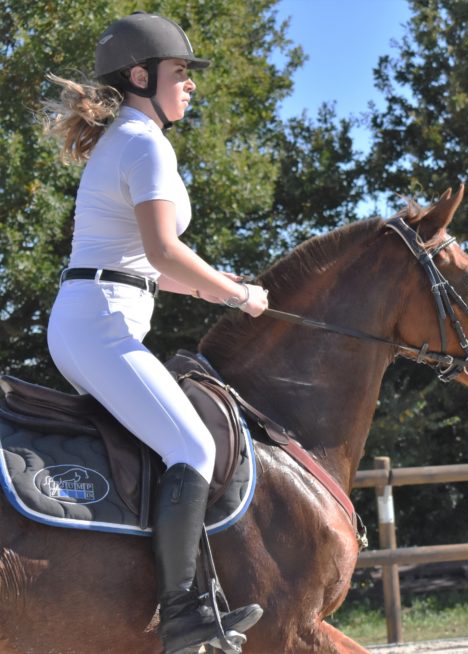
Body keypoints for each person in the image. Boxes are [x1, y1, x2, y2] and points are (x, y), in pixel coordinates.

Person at [43, 12, 267, 653]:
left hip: (94, 316)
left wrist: (211, 283)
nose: (192, 84)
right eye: (181, 73)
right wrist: (238, 293)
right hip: (102, 324)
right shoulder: (144, 143)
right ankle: (182, 614)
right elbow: (166, 253)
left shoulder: (128, 137)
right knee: (194, 449)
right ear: (141, 76)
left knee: (174, 442)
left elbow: (149, 266)